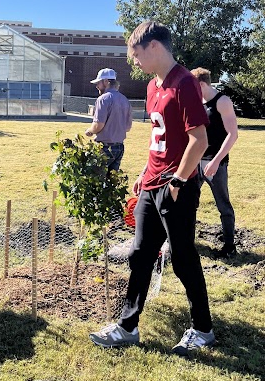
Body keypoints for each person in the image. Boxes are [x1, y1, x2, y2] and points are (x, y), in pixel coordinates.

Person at [89, 21, 214, 356]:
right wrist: (146, 171)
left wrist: (177, 180)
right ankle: (127, 327)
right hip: (151, 183)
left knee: (183, 258)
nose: (135, 61)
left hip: (177, 186)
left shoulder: (185, 83)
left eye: (138, 53)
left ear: (155, 46)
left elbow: (198, 141)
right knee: (140, 254)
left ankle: (202, 328)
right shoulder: (151, 86)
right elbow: (160, 138)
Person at [191, 67, 238, 258]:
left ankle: (229, 246)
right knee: (189, 202)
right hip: (195, 161)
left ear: (202, 84)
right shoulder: (197, 102)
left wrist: (216, 161)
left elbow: (233, 135)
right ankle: (187, 239)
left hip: (215, 163)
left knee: (223, 205)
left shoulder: (223, 101)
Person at [85, 68, 132, 172]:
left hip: (104, 148)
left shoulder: (103, 99)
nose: (97, 86)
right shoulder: (125, 100)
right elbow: (127, 128)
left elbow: (98, 125)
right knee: (111, 182)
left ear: (106, 82)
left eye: (98, 83)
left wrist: (90, 131)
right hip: (119, 147)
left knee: (97, 181)